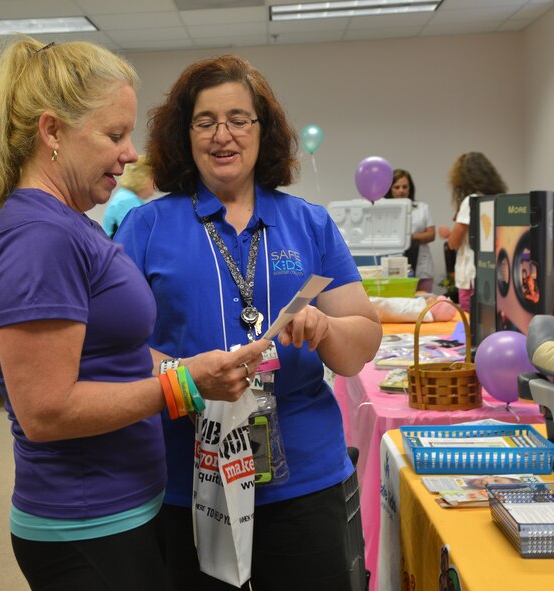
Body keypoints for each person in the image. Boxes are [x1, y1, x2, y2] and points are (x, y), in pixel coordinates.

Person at [0, 39, 269, 591]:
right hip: (85, 523)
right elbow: (46, 409)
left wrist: (191, 368)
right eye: (114, 135)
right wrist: (185, 386)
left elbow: (112, 355)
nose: (132, 153)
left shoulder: (66, 222)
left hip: (115, 511)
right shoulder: (39, 238)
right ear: (52, 132)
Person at [115, 55, 381, 590]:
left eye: (239, 119)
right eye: (205, 121)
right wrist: (185, 374)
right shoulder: (146, 227)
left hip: (303, 476)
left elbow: (362, 342)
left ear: (264, 130)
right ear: (184, 135)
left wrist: (327, 330)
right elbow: (115, 351)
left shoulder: (309, 223)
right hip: (187, 479)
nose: (223, 135)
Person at [438, 152, 507, 312]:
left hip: (470, 271)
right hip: (492, 269)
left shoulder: (470, 201)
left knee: (471, 320)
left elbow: (454, 243)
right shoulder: (496, 198)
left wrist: (450, 235)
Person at [384, 169, 436, 292]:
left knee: (423, 303)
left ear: (410, 188)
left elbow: (431, 234)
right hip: (394, 263)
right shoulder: (384, 210)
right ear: (390, 189)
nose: (401, 190)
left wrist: (409, 236)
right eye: (397, 187)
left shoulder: (422, 208)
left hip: (421, 265)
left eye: (404, 186)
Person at [102, 155, 155, 238]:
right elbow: (136, 236)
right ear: (143, 178)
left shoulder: (127, 197)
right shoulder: (127, 201)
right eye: (152, 180)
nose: (154, 187)